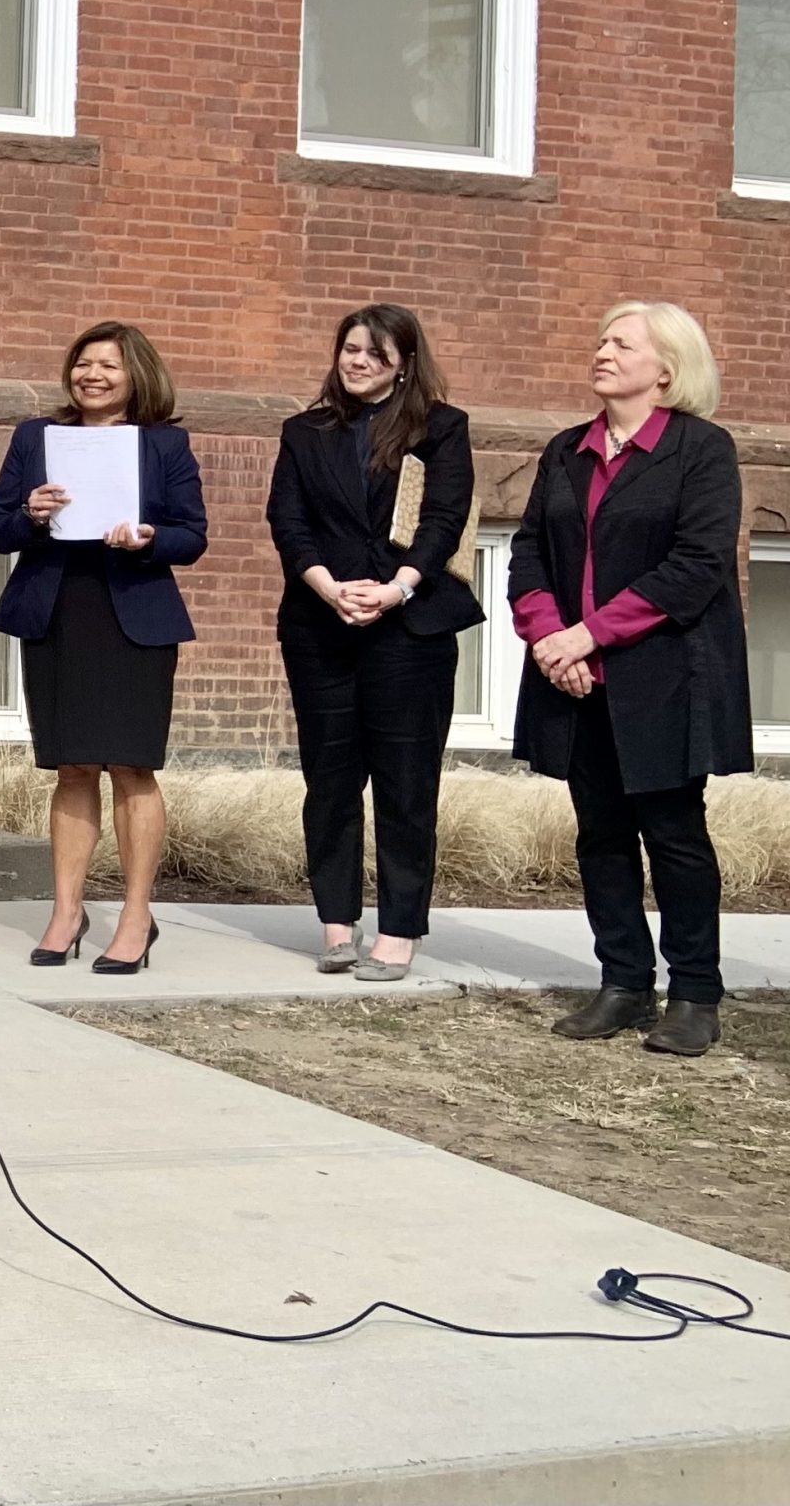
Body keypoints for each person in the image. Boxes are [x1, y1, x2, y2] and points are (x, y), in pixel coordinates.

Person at [511, 302, 750, 1057]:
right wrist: (553, 639)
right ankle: (622, 982)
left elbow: (697, 565)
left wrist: (590, 633)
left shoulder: (702, 450)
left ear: (667, 368)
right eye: (601, 339)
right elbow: (526, 553)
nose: (602, 350)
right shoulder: (564, 450)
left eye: (621, 343)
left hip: (664, 676)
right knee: (601, 835)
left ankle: (694, 995)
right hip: (574, 677)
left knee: (675, 836)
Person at [267, 305, 482, 980]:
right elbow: (288, 518)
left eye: (376, 353)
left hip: (409, 628)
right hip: (320, 623)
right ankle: (337, 922)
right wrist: (328, 586)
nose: (358, 361)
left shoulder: (441, 428)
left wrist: (398, 588)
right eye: (350, 349)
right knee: (329, 780)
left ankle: (399, 930)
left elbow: (445, 519)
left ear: (405, 363)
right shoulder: (304, 432)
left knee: (404, 782)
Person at [0, 323, 207, 975]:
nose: (92, 375)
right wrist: (29, 510)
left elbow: (192, 535)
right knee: (74, 767)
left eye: (108, 365)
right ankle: (66, 911)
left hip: (132, 617)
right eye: (82, 363)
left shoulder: (165, 444)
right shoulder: (36, 438)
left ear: (136, 374)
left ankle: (137, 917)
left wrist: (148, 537)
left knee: (131, 768)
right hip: (58, 614)